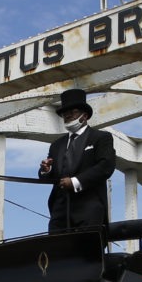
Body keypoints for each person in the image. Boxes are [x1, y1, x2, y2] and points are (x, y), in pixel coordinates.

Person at [36, 88, 116, 232]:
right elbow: (51, 178)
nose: (67, 116)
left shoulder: (100, 138)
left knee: (87, 252)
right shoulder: (56, 145)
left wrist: (75, 182)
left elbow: (106, 166)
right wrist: (46, 171)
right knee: (57, 251)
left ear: (84, 115)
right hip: (59, 212)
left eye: (72, 113)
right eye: (64, 114)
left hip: (88, 210)